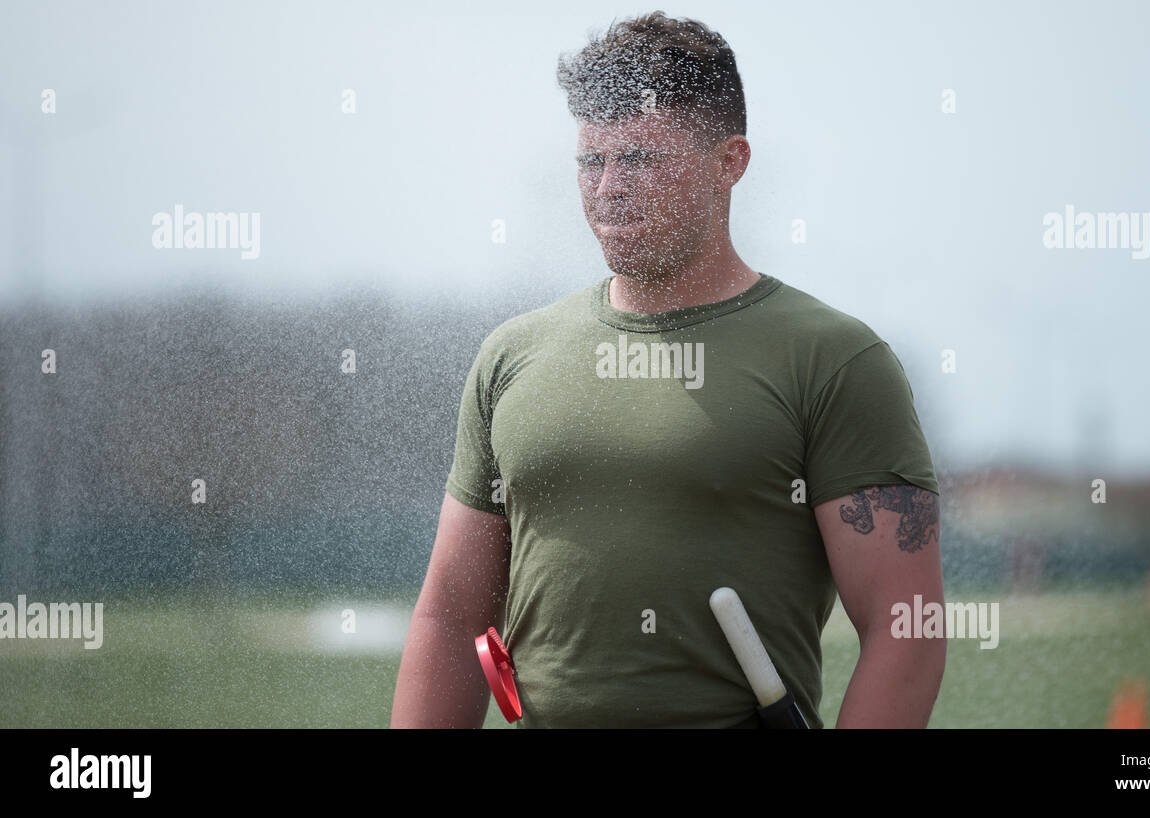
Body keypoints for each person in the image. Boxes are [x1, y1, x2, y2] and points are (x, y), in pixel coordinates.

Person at [391, 11, 944, 728]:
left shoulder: (835, 360)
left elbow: (907, 632)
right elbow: (449, 618)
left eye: (642, 158)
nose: (610, 186)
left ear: (730, 163)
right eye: (593, 160)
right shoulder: (511, 357)